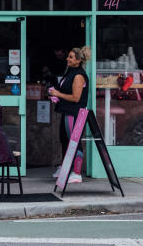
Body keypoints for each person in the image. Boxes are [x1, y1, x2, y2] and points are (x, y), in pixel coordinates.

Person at [48, 46, 91, 183]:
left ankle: (77, 173)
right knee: (64, 139)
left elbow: (76, 98)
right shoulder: (70, 72)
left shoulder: (78, 76)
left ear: (78, 60)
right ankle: (65, 167)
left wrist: (57, 94)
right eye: (68, 56)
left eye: (71, 57)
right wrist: (57, 97)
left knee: (74, 142)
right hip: (67, 111)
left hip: (74, 113)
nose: (67, 58)